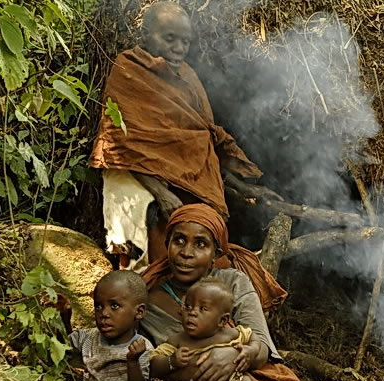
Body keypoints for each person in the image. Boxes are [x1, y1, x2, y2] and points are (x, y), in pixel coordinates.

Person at [90, 1, 263, 271]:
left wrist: (240, 185)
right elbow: (121, 146)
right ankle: (141, 283)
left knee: (203, 230)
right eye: (169, 38)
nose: (179, 48)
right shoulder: (128, 69)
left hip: (187, 179)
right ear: (145, 35)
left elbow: (200, 138)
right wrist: (161, 193)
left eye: (185, 42)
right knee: (141, 221)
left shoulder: (189, 76)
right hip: (135, 174)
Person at [140, 204, 322, 381]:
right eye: (179, 241)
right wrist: (189, 368)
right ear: (167, 245)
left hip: (246, 379)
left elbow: (262, 347)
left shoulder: (233, 282)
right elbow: (146, 365)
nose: (187, 252)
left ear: (216, 255)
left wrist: (229, 358)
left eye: (201, 244)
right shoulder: (146, 301)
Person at [148, 278, 282, 381]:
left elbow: (254, 337)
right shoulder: (177, 341)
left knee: (241, 379)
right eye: (188, 306)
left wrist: (251, 349)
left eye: (203, 308)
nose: (193, 312)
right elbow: (154, 362)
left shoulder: (231, 334)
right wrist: (171, 361)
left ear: (222, 320)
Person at [51, 270, 155, 381]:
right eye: (98, 306)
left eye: (114, 306)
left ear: (139, 312)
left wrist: (133, 361)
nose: (104, 313)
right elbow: (63, 350)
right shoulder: (88, 337)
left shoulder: (142, 346)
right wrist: (64, 318)